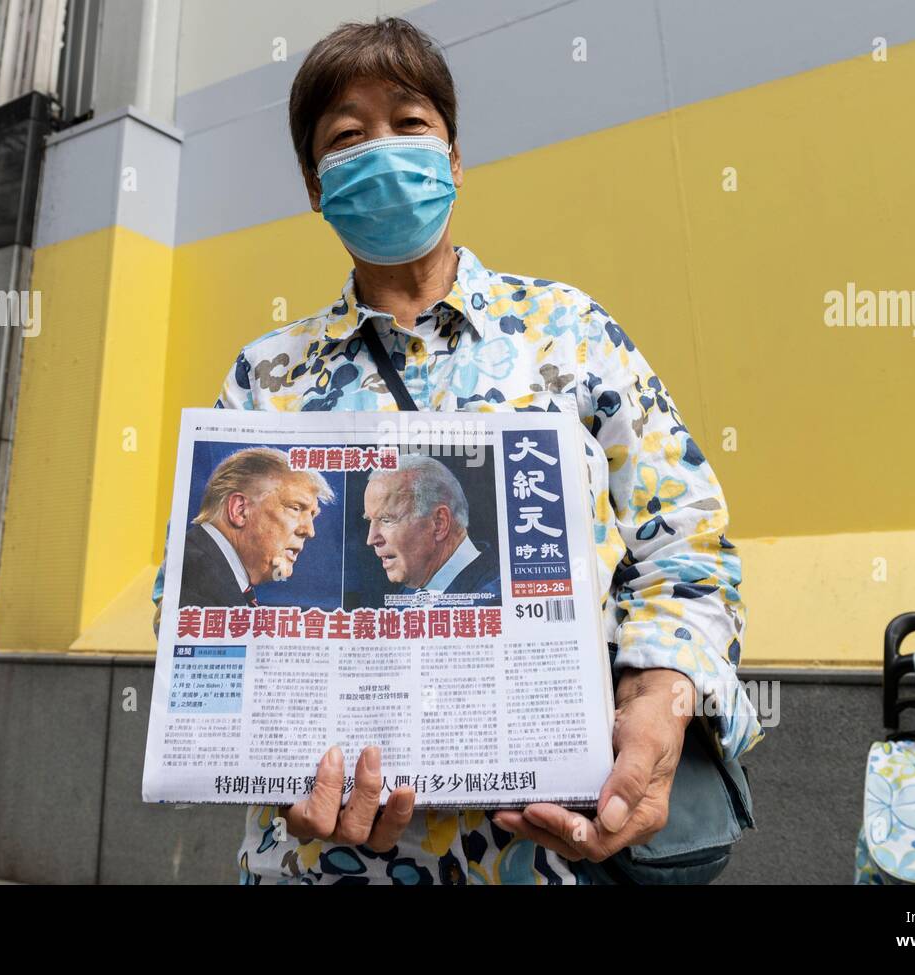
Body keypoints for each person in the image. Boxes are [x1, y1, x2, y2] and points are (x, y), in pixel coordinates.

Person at [163, 16, 765, 884]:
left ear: (451, 158)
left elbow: (688, 545)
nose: (382, 149)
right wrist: (261, 748)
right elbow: (187, 596)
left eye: (409, 124)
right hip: (326, 862)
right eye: (346, 135)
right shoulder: (267, 375)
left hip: (553, 857)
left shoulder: (572, 334)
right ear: (314, 183)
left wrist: (665, 695)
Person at [178, 447, 333, 608]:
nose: (310, 531)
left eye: (312, 515)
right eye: (295, 508)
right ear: (240, 510)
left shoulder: (211, 575)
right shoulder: (193, 580)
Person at [362, 453, 500, 607]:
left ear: (439, 523)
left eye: (386, 520)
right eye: (370, 521)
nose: (371, 539)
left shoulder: (495, 600)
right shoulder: (409, 593)